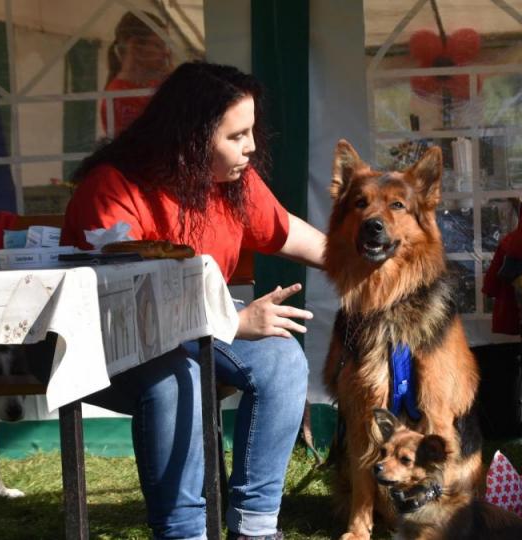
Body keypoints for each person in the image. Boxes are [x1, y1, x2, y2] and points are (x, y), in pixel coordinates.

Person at [62, 62, 325, 540]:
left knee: (283, 358)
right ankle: (185, 532)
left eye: (251, 131)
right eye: (236, 136)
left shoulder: (233, 181)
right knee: (176, 378)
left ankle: (255, 527)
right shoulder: (113, 187)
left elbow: (287, 232)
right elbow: (123, 306)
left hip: (198, 328)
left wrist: (366, 261)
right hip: (113, 337)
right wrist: (233, 322)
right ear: (192, 137)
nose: (251, 146)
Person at [100, 11, 173, 136]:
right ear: (135, 47)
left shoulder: (154, 84)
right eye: (158, 45)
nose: (166, 53)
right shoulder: (119, 98)